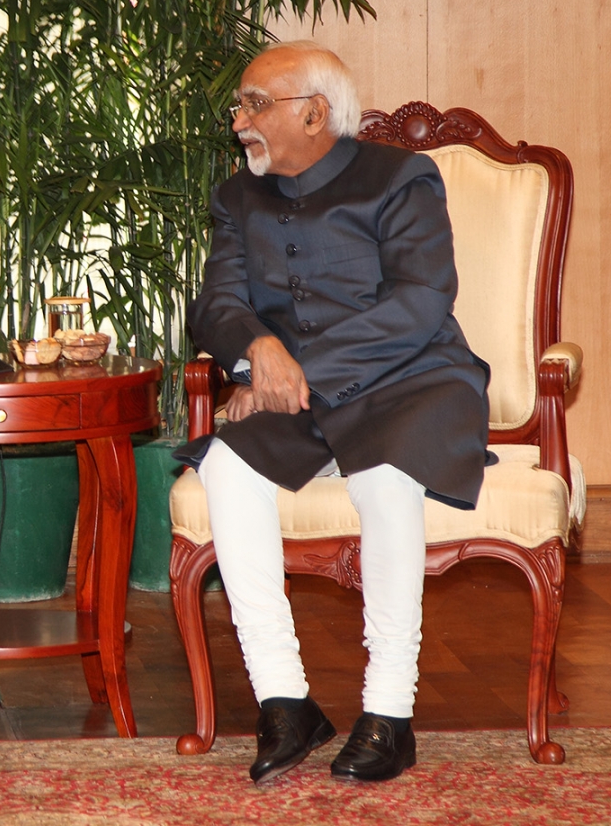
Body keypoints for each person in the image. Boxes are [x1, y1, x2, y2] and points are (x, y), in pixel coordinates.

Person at [175, 41, 491, 784]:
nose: (239, 120)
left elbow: (419, 303)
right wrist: (256, 345)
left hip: (409, 379)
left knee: (386, 477)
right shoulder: (236, 197)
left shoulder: (400, 177)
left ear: (315, 113)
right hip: (292, 394)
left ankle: (389, 713)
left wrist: (292, 369)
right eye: (239, 105)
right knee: (226, 466)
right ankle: (285, 701)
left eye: (255, 104)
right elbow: (215, 302)